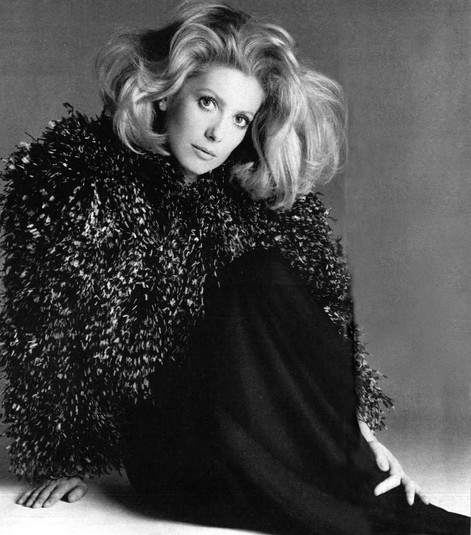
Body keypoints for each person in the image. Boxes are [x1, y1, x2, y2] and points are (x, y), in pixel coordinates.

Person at [0, 2, 468, 534]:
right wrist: (62, 458)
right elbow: (45, 330)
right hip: (170, 455)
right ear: (165, 92)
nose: (218, 133)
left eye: (240, 119)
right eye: (208, 103)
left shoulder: (243, 200)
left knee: (266, 273)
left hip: (243, 430)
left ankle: (360, 475)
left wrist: (359, 433)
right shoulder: (84, 183)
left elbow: (314, 323)